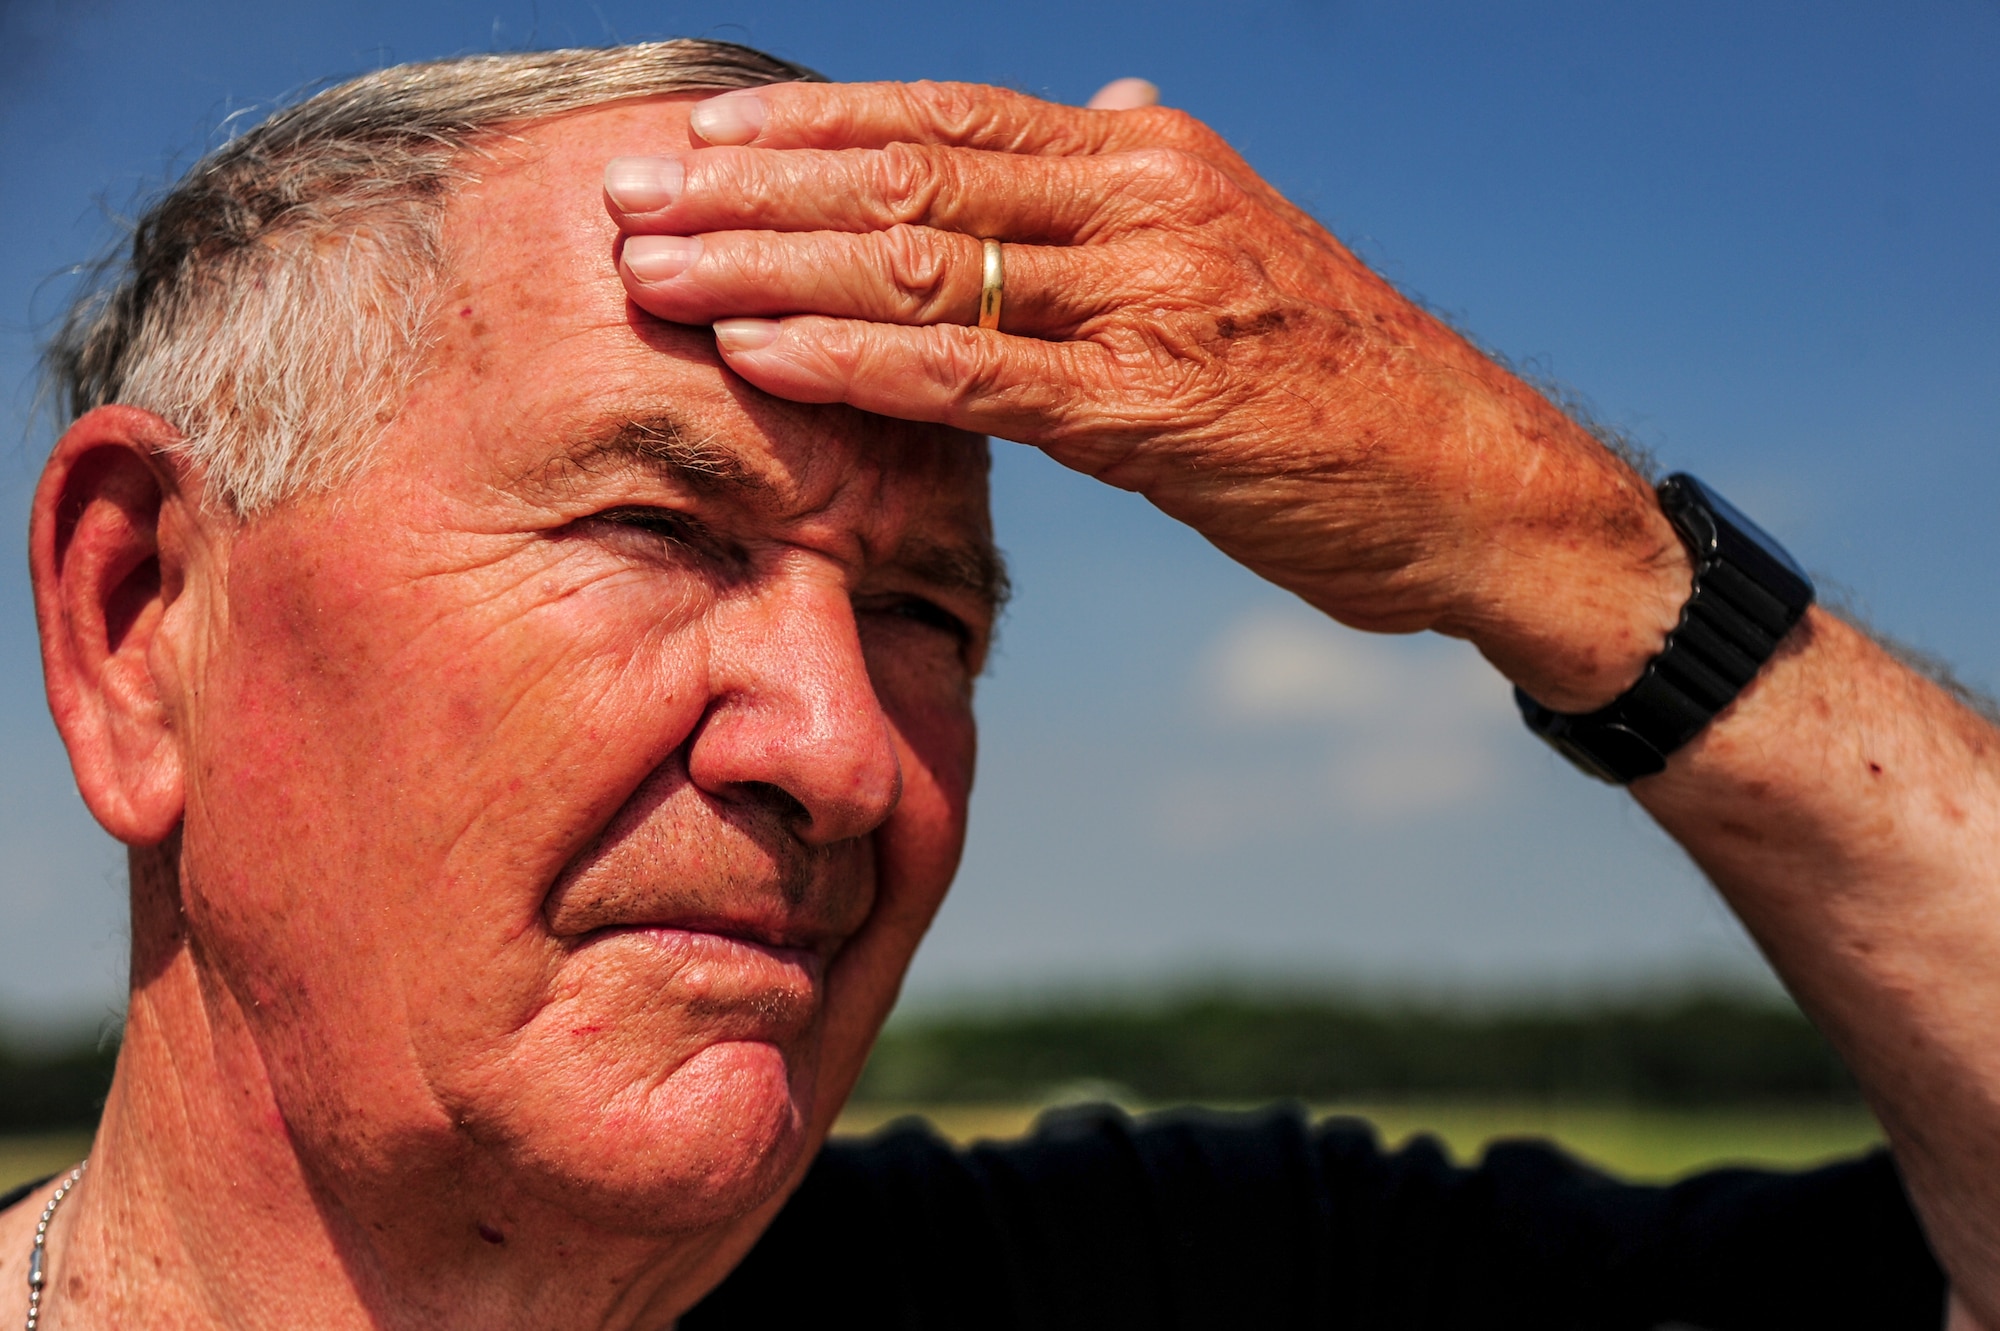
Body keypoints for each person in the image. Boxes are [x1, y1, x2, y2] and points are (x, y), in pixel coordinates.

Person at [0, 35, 1989, 1328]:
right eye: (656, 530)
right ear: (139, 621)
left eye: (926, 618)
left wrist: (1582, 560)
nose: (844, 751)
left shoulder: (1155, 1289)